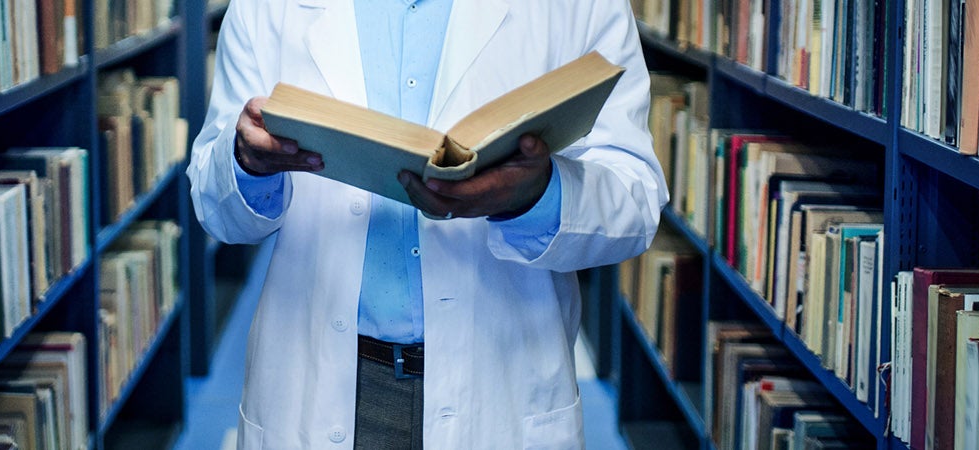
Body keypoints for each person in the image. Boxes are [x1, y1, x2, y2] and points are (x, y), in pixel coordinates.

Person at [186, 0, 666, 447]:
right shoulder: (265, 8)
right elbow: (214, 206)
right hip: (318, 383)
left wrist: (537, 197)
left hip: (498, 386)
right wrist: (245, 164)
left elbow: (635, 197)